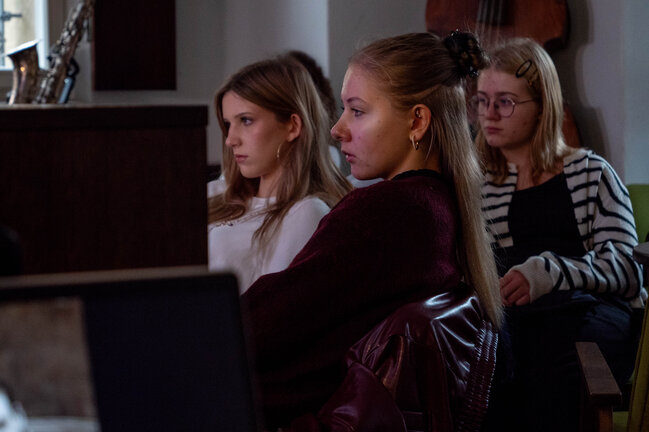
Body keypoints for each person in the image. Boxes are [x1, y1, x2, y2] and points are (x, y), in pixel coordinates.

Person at [241, 31, 502, 431]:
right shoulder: (439, 206)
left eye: (358, 111)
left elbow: (262, 324)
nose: (337, 129)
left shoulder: (386, 213)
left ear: (417, 120)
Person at [475, 37, 645, 431]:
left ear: (542, 107)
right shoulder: (479, 186)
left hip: (592, 311)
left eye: (505, 102)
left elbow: (628, 269)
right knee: (491, 361)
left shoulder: (591, 172)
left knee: (563, 363)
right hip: (516, 320)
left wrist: (550, 273)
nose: (489, 114)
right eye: (482, 101)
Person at [208, 57, 351, 293]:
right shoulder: (215, 192)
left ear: (292, 126)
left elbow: (275, 305)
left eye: (246, 120)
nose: (230, 140)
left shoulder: (306, 212)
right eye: (228, 124)